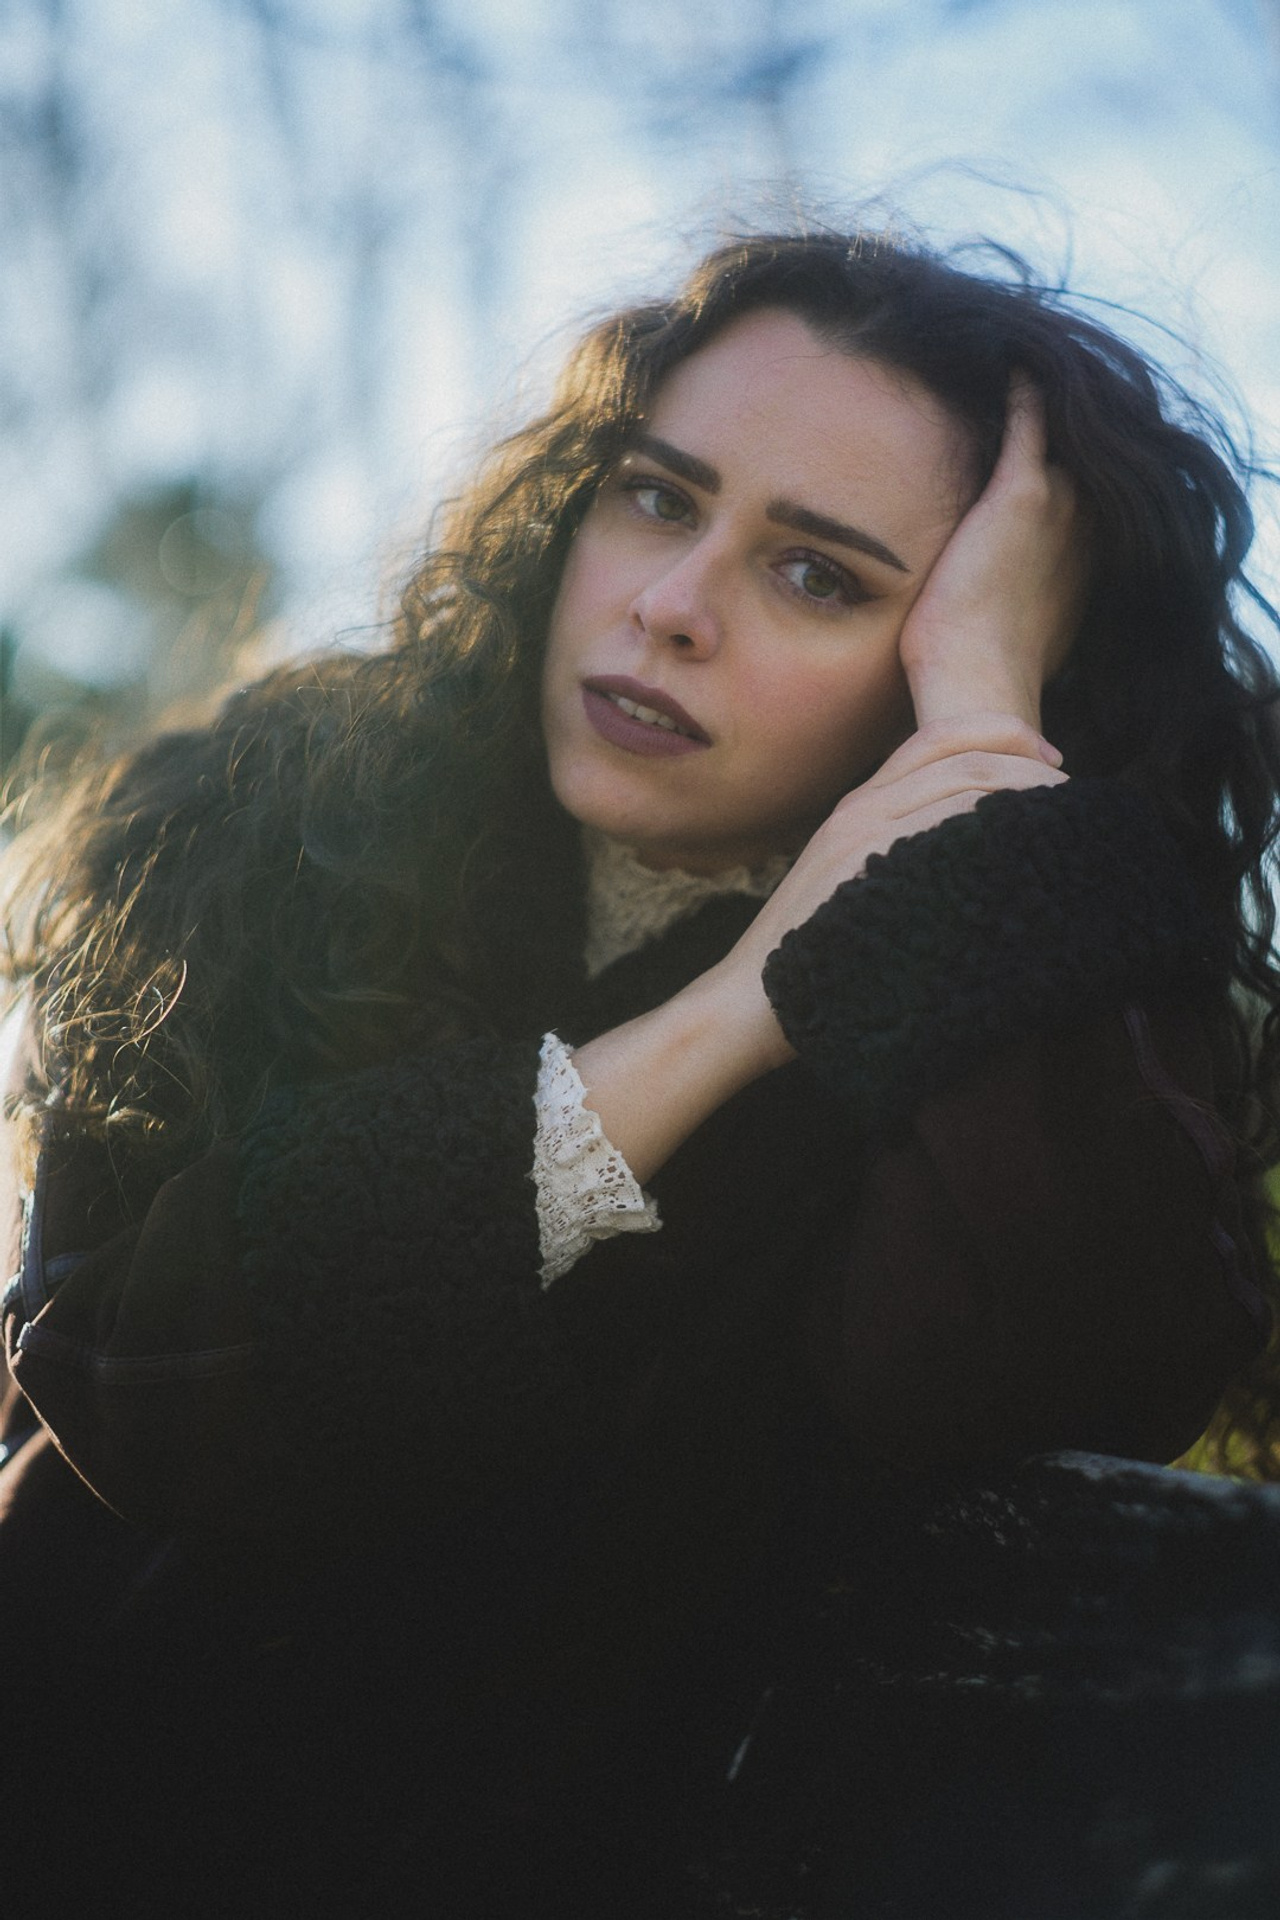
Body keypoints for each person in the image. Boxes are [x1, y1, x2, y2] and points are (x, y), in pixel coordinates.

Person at [1, 227, 1278, 1916]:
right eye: (659, 499)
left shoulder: (1037, 951)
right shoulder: (253, 833)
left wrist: (985, 753)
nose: (670, 610)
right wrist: (747, 1003)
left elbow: (1034, 1382)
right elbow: (152, 1375)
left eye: (819, 574)